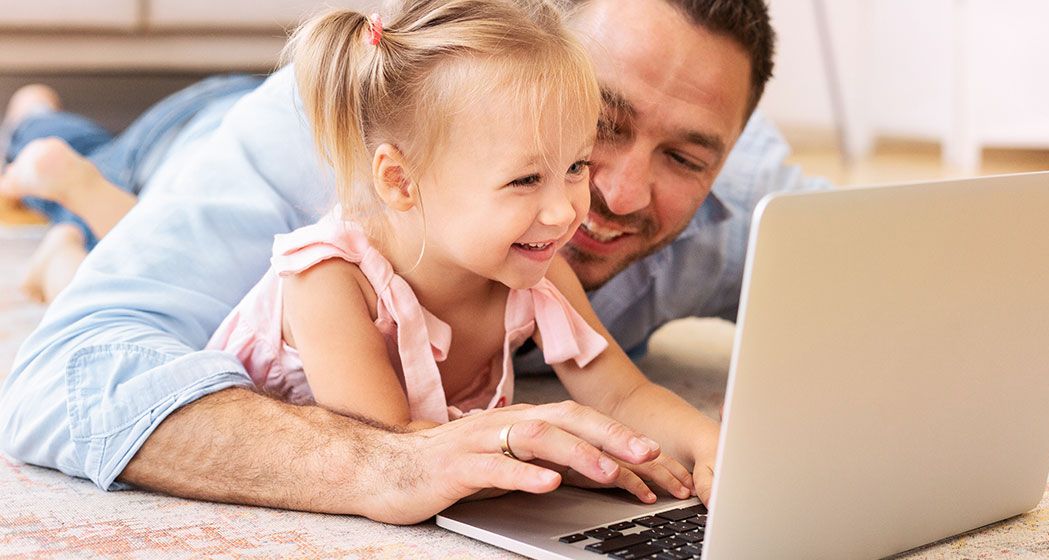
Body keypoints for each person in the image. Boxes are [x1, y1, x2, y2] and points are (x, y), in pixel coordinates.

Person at [0, 0, 827, 524]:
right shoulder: (326, 259)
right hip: (191, 128)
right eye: (602, 128)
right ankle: (50, 147)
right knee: (96, 178)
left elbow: (629, 394)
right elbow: (394, 445)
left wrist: (716, 447)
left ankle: (73, 222)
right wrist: (516, 440)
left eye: (683, 158)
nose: (594, 199)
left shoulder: (578, 243)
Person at [0, 75, 263, 302]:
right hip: (175, 158)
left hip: (237, 97)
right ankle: (71, 196)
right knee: (166, 280)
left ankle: (34, 116)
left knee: (104, 158)